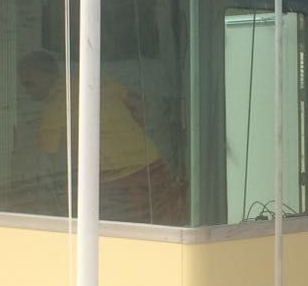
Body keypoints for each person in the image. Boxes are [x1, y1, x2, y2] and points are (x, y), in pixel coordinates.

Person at [17, 50, 185, 223]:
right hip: (153, 162)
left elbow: (47, 164)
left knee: (133, 234)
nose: (26, 91)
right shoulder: (93, 82)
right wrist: (128, 134)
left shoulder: (53, 112)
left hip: (119, 180)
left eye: (29, 83)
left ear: (48, 74)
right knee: (169, 223)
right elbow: (139, 104)